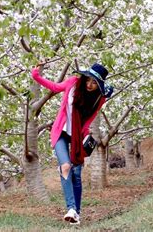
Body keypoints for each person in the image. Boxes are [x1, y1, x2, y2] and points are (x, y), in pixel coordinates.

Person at [31, 62, 114, 225]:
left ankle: (76, 212)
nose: (90, 85)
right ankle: (71, 208)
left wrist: (85, 132)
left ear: (99, 86)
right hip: (60, 132)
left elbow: (90, 118)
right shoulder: (72, 83)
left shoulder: (98, 99)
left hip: (77, 135)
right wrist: (36, 75)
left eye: (94, 83)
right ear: (84, 77)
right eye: (88, 80)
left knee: (76, 174)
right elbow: (54, 87)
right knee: (66, 166)